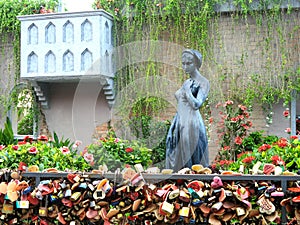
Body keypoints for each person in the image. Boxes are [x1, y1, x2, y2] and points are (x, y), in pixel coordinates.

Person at [165, 49, 210, 171]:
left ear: (196, 64)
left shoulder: (203, 82)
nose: (185, 66)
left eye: (188, 63)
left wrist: (187, 90)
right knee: (173, 151)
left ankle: (191, 183)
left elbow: (197, 104)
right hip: (180, 120)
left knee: (189, 154)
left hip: (191, 122)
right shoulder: (187, 81)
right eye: (183, 63)